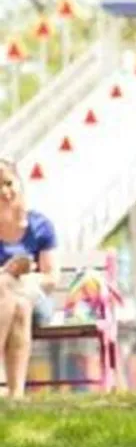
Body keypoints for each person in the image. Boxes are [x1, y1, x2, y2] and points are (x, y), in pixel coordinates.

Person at [0, 159, 60, 398]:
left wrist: (24, 276)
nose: (4, 192)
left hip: (35, 296)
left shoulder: (40, 225)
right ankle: (16, 396)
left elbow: (51, 278)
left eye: (8, 183)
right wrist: (8, 272)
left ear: (19, 184)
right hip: (9, 301)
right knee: (16, 304)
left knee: (17, 297)